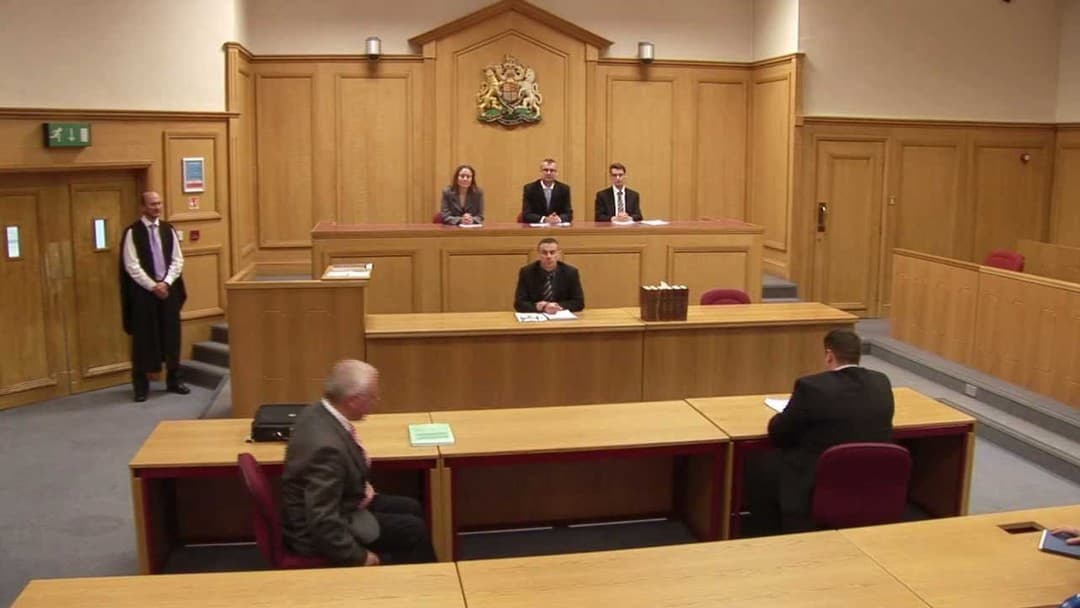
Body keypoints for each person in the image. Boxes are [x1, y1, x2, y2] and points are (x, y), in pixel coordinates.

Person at [281, 359, 437, 566]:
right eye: (372, 397)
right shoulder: (327, 450)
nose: (376, 401)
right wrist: (358, 556)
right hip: (321, 533)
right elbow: (323, 520)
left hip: (344, 503)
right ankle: (426, 580)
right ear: (353, 401)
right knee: (414, 530)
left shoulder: (316, 411)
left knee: (411, 507)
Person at [744, 328, 894, 535]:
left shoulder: (811, 387)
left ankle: (768, 534)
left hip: (816, 478)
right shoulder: (882, 381)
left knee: (759, 463)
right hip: (870, 476)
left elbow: (779, 434)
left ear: (829, 355)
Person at [119, 191, 188, 402]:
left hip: (168, 291)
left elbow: (177, 260)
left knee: (172, 336)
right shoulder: (132, 232)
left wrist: (166, 283)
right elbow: (131, 265)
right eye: (152, 204)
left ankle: (174, 381)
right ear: (142, 207)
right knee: (143, 339)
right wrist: (153, 286)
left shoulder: (168, 229)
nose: (157, 207)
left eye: (159, 203)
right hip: (144, 294)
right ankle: (141, 387)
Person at [514, 237, 584, 313]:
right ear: (539, 254)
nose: (548, 256)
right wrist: (541, 307)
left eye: (552, 252)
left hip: (560, 315)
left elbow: (579, 303)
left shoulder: (570, 272)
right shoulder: (527, 272)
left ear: (558, 254)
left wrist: (554, 306)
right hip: (537, 316)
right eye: (544, 253)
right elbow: (519, 304)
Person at [521, 158, 572, 224]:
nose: (548, 173)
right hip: (537, 228)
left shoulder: (564, 189)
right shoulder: (530, 189)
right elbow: (526, 215)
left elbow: (568, 214)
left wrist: (558, 219)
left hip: (557, 227)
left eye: (552, 170)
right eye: (545, 170)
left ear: (556, 173)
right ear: (540, 172)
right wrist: (544, 219)